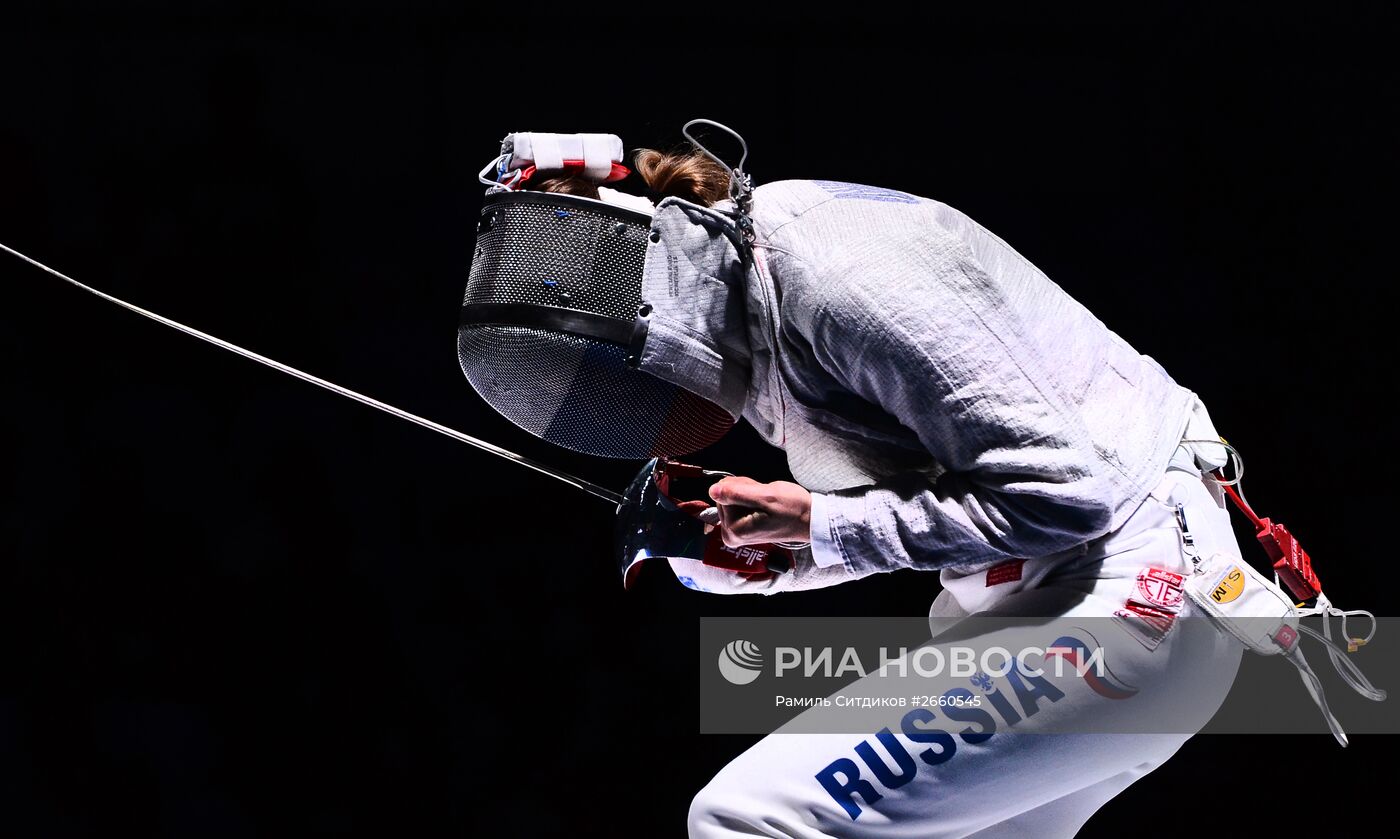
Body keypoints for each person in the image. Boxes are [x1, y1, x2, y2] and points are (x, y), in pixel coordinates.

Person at [532, 145, 1245, 837]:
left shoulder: (834, 269)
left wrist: (820, 524)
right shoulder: (759, 288)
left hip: (1131, 593)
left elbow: (1062, 494)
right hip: (1105, 606)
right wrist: (790, 554)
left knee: (748, 818)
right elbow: (963, 495)